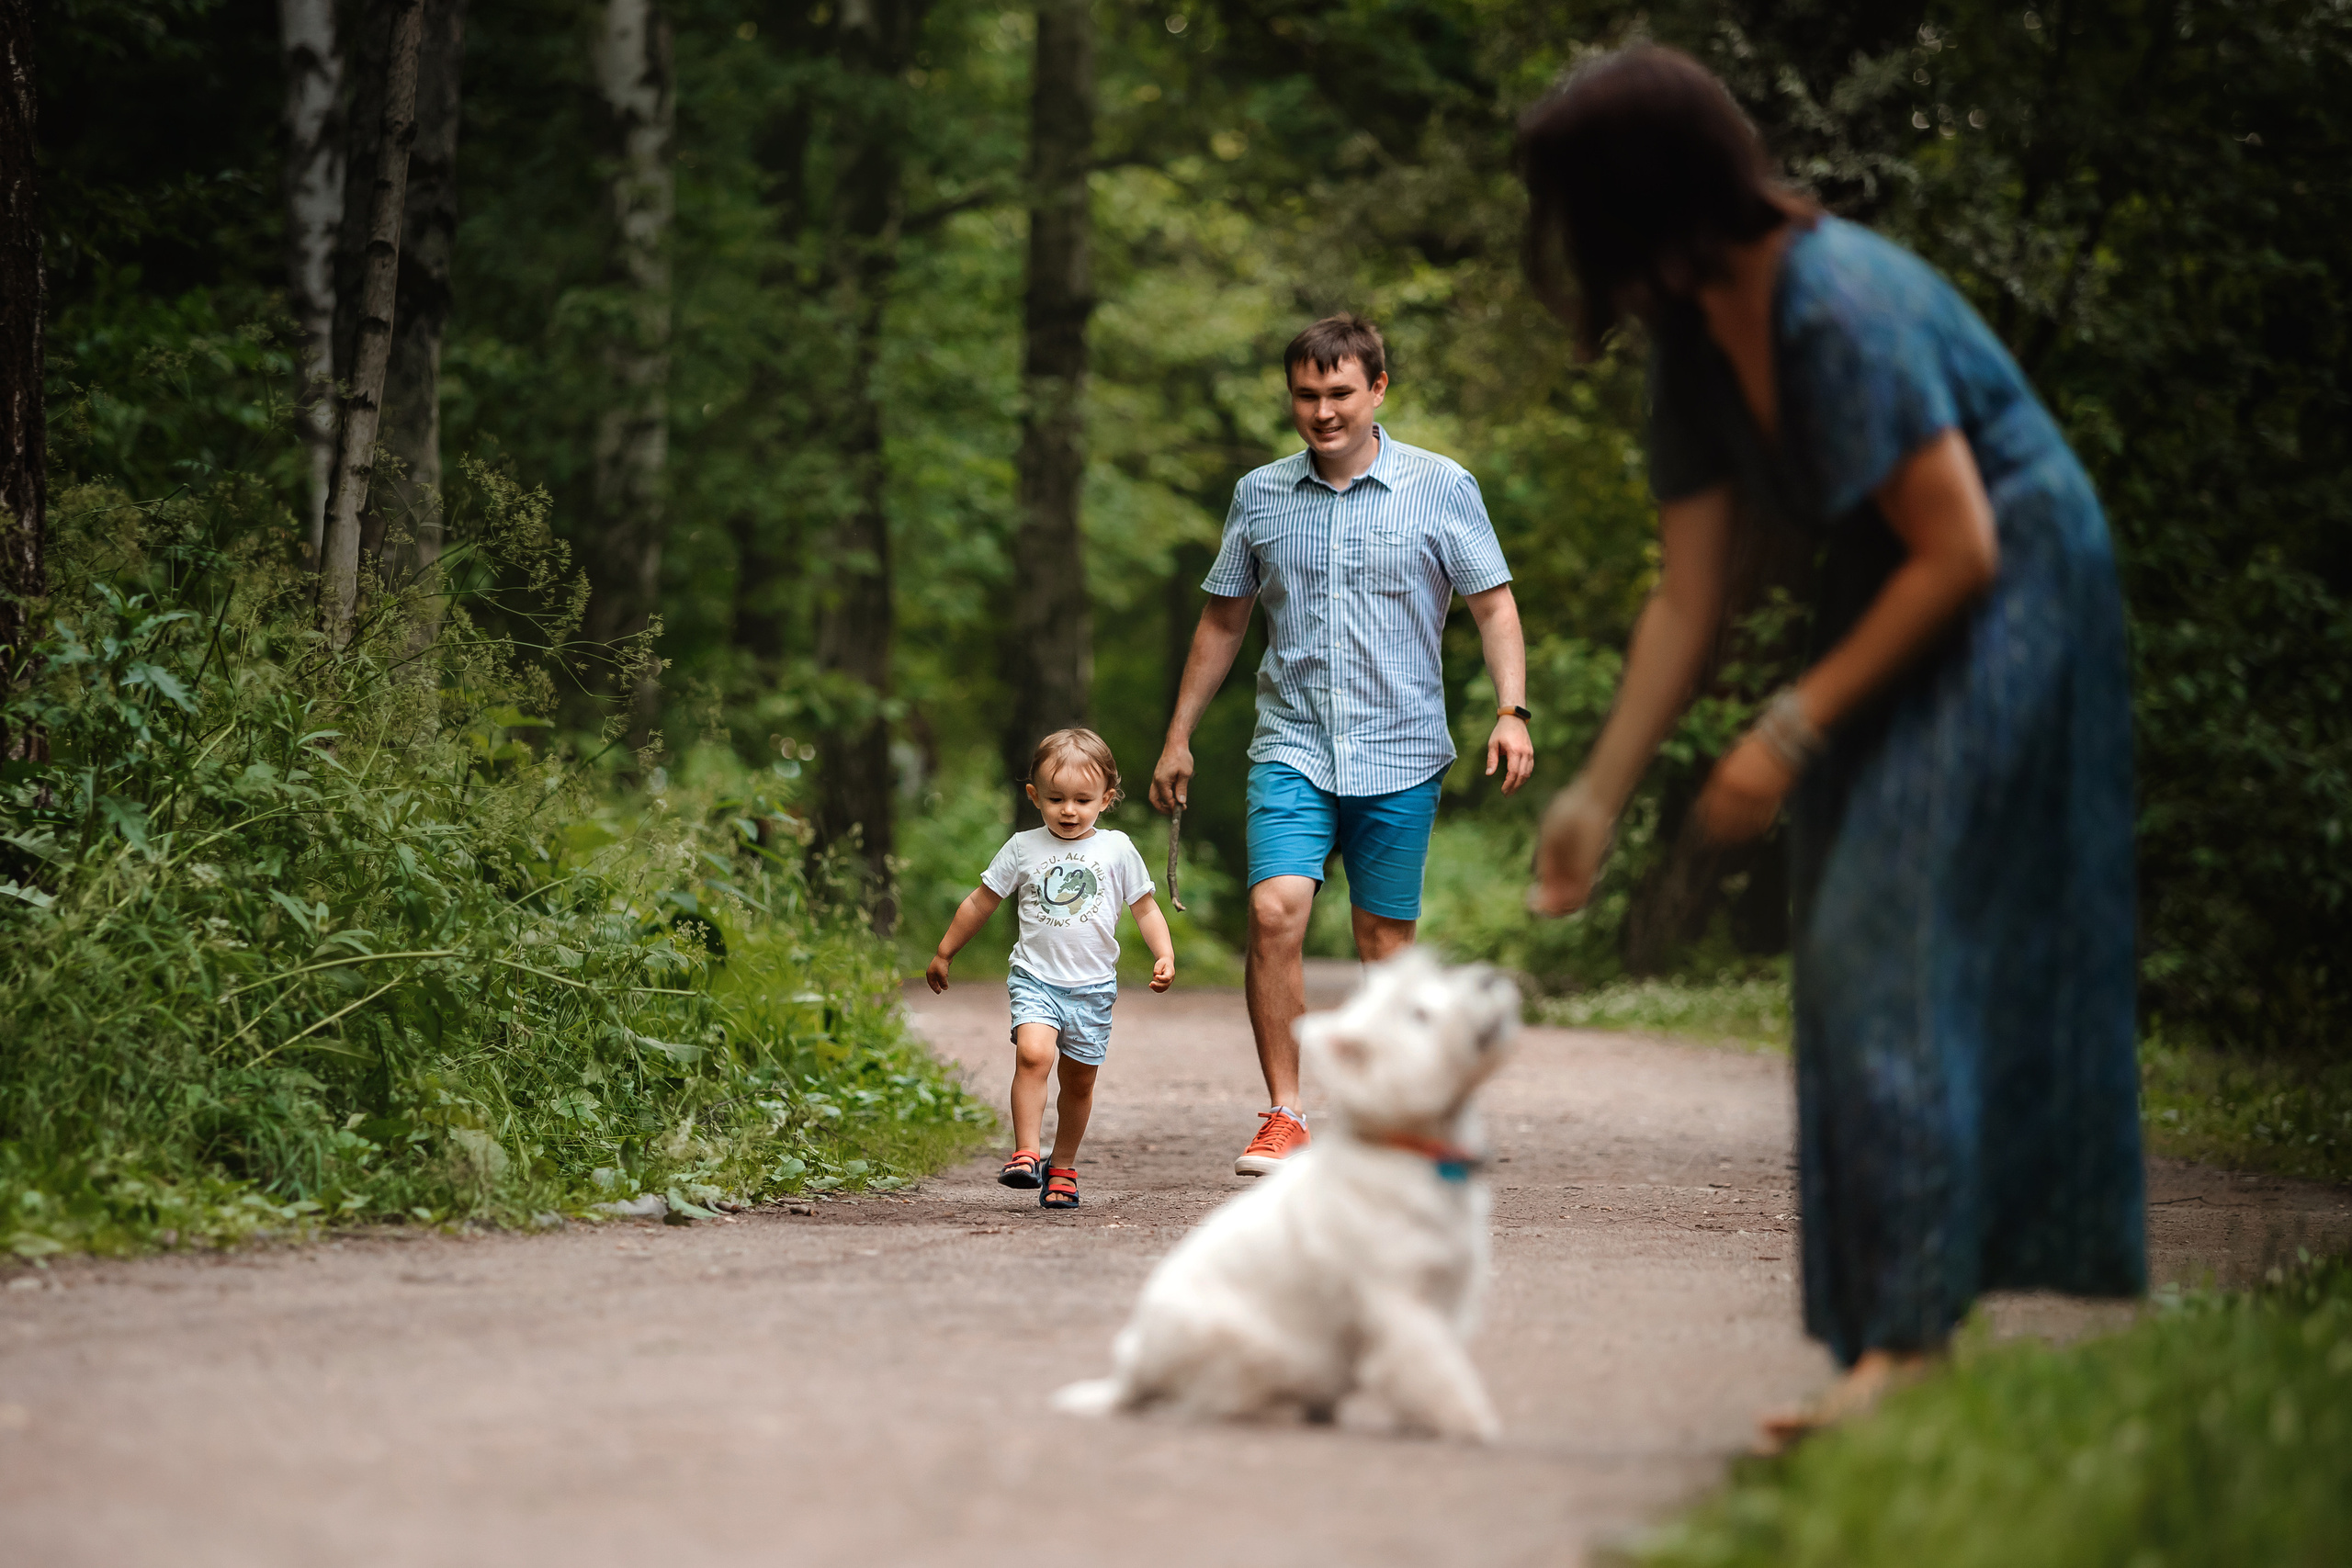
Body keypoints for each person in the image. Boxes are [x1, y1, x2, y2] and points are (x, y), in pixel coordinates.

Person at [1517, 48, 2145, 1436]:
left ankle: (1906, 1353)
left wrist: (1791, 727)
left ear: (1640, 196)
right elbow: (1688, 599)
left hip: (2012, 578)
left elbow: (1963, 545)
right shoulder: (1691, 346)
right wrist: (1596, 794)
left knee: (1883, 925)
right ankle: (1886, 1340)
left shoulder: (1838, 304)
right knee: (1847, 947)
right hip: (1893, 583)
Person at [1150, 314, 1536, 1178]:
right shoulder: (1260, 495)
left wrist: (1512, 710)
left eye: (1340, 392)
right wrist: (1179, 735)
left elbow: (1494, 605)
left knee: (1383, 942)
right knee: (1273, 909)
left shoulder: (1442, 487)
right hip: (1292, 744)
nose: (1322, 411)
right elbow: (1224, 619)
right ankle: (1285, 1113)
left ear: (1378, 390)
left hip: (1403, 749)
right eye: (1306, 394)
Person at [928, 728, 1176, 1210]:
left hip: (1092, 989)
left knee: (1079, 1083)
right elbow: (982, 901)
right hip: (1035, 978)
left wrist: (1163, 953)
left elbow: (1145, 907)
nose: (1068, 810)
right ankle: (1026, 1154)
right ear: (1034, 795)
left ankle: (1062, 1167)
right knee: (1033, 1055)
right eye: (1056, 798)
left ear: (1106, 799)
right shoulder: (1023, 847)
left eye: (1083, 800)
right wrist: (945, 951)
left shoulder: (1117, 849)